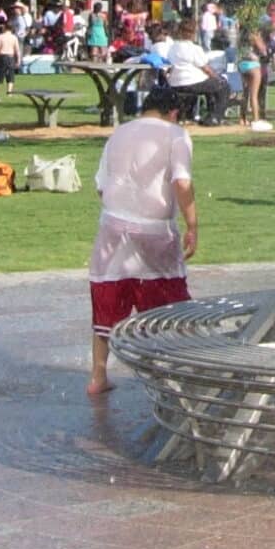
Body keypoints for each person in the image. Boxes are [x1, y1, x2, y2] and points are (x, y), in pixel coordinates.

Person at [88, 80, 198, 396]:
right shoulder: (175, 134)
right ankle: (176, 371)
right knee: (170, 301)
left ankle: (98, 376)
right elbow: (182, 181)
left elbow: (101, 185)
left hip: (112, 228)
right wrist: (192, 224)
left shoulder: (119, 132)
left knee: (108, 298)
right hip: (154, 230)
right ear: (174, 112)